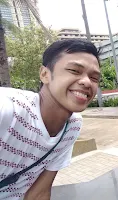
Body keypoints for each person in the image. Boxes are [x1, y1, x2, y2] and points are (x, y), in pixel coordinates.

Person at [0, 39, 101, 200]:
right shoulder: (8, 108)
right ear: (45, 74)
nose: (87, 82)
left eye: (94, 78)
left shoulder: (72, 126)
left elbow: (39, 193)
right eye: (75, 71)